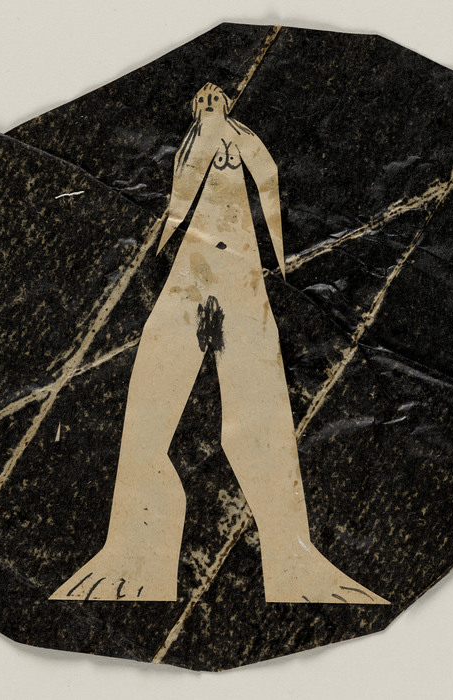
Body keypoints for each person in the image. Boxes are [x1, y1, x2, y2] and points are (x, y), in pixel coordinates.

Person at [50, 83, 386, 604]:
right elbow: (183, 190)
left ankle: (293, 560)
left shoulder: (240, 138)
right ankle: (135, 556)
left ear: (226, 105)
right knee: (157, 384)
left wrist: (280, 252)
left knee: (258, 404)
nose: (209, 104)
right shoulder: (195, 143)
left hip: (238, 270)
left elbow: (267, 181)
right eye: (202, 102)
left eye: (215, 100)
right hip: (194, 270)